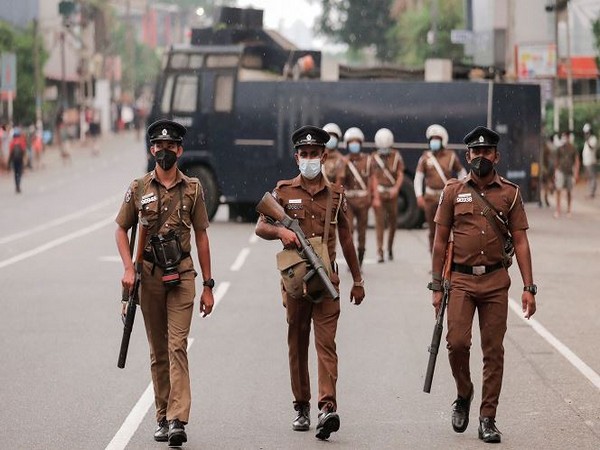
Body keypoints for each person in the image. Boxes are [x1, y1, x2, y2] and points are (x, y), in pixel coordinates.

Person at [255, 125, 365, 441]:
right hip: (296, 282)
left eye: (314, 154)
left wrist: (357, 279)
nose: (309, 159)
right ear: (296, 157)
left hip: (327, 280)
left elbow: (346, 238)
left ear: (323, 155)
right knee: (297, 342)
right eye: (303, 154)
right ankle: (301, 405)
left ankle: (327, 407)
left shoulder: (336, 195)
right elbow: (261, 226)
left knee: (326, 344)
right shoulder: (284, 192)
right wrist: (282, 233)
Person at [430, 125, 537, 444]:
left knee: (494, 351)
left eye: (486, 152)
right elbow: (439, 241)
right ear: (467, 156)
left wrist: (529, 287)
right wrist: (436, 286)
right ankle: (464, 392)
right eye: (475, 153)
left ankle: (487, 417)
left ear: (496, 156)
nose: (480, 157)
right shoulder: (452, 191)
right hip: (460, 280)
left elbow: (520, 241)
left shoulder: (510, 193)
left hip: (495, 282)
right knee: (457, 344)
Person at [115, 119, 215, 447]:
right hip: (150, 277)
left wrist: (209, 285)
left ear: (180, 150)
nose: (165, 152)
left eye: (171, 147)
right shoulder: (138, 188)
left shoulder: (194, 189)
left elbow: (201, 235)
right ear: (151, 150)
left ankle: (177, 419)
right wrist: (129, 269)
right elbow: (120, 229)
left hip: (183, 275)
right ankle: (161, 414)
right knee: (159, 350)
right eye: (159, 147)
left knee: (177, 346)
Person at [414, 124, 467, 253]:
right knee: (432, 232)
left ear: (443, 140)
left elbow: (462, 173)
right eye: (432, 139)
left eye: (437, 139)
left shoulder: (451, 156)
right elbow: (418, 177)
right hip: (430, 199)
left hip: (446, 199)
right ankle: (435, 263)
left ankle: (447, 261)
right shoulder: (425, 157)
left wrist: (461, 189)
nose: (434, 142)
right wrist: (419, 195)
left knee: (447, 231)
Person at [338, 127, 372, 267]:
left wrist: (371, 196)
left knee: (362, 232)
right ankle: (351, 260)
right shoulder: (344, 161)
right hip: (349, 201)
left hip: (363, 200)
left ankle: (361, 258)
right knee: (349, 230)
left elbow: (372, 179)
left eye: (356, 142)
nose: (354, 145)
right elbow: (340, 181)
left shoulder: (368, 160)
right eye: (351, 142)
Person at [371, 128, 404, 262]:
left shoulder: (396, 156)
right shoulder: (373, 157)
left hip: (392, 194)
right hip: (380, 193)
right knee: (379, 224)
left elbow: (400, 174)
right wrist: (376, 196)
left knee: (393, 223)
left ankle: (390, 247)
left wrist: (396, 188)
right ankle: (380, 251)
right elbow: (372, 177)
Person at [553, 129, 580, 218]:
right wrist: (555, 172)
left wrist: (576, 172)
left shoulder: (573, 148)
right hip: (560, 171)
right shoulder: (559, 148)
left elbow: (576, 161)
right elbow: (556, 161)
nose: (565, 138)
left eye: (567, 137)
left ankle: (569, 210)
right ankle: (558, 210)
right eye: (564, 137)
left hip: (569, 172)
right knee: (558, 190)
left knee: (569, 191)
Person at [8, 127, 28, 193]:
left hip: (14, 160)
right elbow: (24, 150)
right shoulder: (21, 141)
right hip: (20, 159)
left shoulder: (12, 142)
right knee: (20, 172)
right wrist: (25, 159)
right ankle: (18, 184)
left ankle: (16, 185)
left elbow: (10, 153)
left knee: (15, 173)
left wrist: (9, 163)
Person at [581, 123, 597, 199]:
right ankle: (590, 192)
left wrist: (587, 140)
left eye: (587, 133)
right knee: (588, 177)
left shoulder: (593, 139)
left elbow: (591, 147)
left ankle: (592, 192)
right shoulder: (587, 140)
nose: (586, 134)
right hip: (586, 162)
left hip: (591, 161)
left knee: (592, 177)